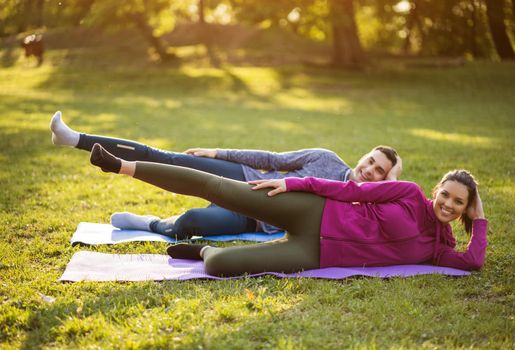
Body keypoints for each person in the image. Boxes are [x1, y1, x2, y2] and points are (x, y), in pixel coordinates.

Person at [88, 143, 487, 277]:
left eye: (459, 203)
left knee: (219, 268)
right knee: (219, 188)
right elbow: (345, 192)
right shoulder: (407, 193)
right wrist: (292, 184)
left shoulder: (440, 248)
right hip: (314, 212)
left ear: (465, 209)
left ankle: (204, 249)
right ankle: (120, 165)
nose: (448, 205)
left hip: (317, 254)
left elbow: (474, 261)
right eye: (446, 195)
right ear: (436, 190)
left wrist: (481, 216)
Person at [50, 111, 402, 239]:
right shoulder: (326, 159)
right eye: (370, 160)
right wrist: (217, 153)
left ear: (385, 179)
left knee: (190, 224)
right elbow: (271, 157)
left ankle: (150, 223)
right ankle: (75, 139)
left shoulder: (359, 208)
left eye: (378, 170)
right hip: (244, 174)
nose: (368, 169)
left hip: (252, 217)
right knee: (169, 158)